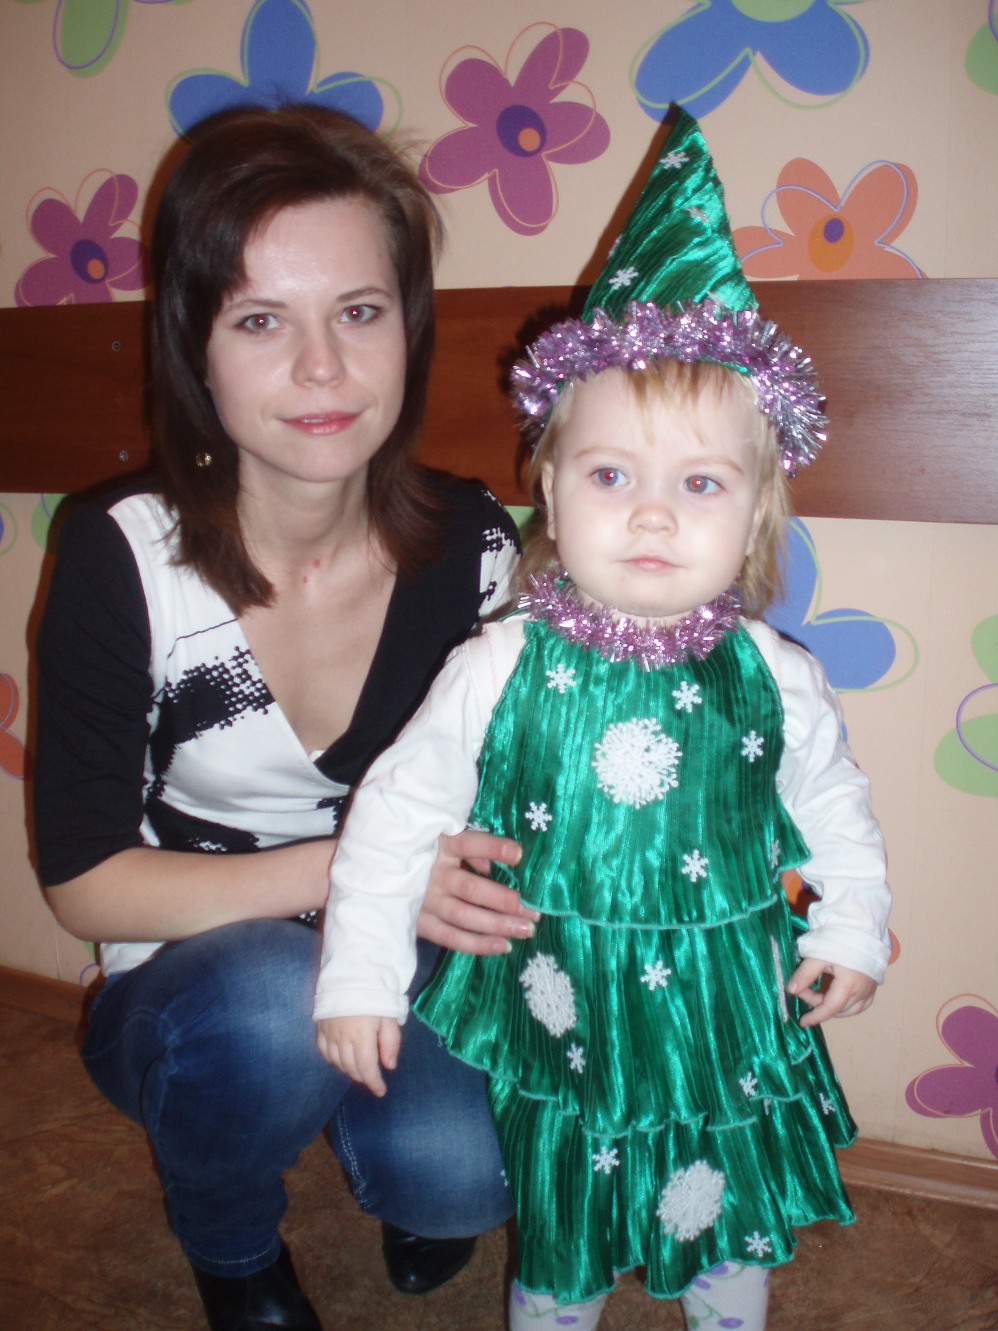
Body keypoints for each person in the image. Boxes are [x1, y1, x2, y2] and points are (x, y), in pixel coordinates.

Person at [312, 108, 892, 1331]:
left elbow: (831, 808)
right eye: (610, 473)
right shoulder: (498, 663)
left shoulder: (772, 674)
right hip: (560, 1001)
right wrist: (359, 975)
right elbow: (394, 813)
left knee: (721, 1194)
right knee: (562, 1208)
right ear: (550, 487)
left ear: (753, 513)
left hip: (721, 1006)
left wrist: (851, 921)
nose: (650, 515)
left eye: (698, 482)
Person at [32, 104, 531, 1331]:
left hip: (404, 952)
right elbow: (84, 884)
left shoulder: (473, 546)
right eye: (261, 320)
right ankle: (231, 1242)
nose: (322, 369)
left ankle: (386, 1139)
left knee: (465, 1178)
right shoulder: (120, 555)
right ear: (194, 346)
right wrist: (357, 863)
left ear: (408, 328)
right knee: (266, 1007)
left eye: (358, 312)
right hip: (201, 977)